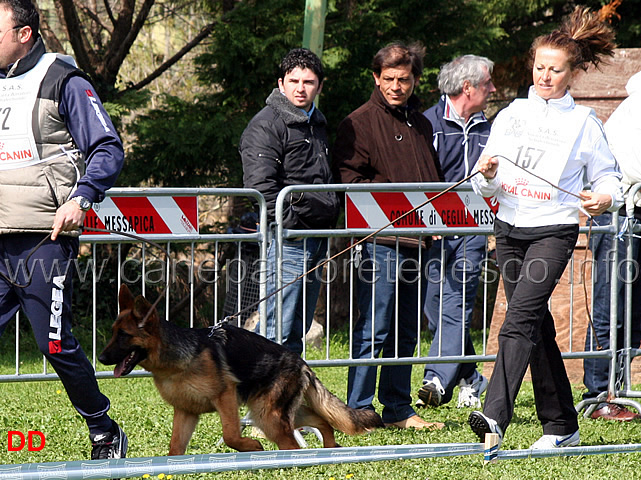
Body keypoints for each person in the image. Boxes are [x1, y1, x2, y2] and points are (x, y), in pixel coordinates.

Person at [467, 7, 622, 449]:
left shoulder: (584, 124)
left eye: (555, 70)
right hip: (509, 226)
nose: (545, 77)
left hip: (553, 230)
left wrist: (605, 195)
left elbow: (607, 175)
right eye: (539, 68)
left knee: (518, 320)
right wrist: (489, 173)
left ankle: (494, 417)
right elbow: (484, 180)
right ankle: (561, 426)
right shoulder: (511, 113)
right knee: (536, 326)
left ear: (572, 74)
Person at [0, 0, 126, 460]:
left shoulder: (63, 80)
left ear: (24, 34)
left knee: (53, 342)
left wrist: (82, 197)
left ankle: (103, 428)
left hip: (43, 239)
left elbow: (108, 148)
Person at [333, 42, 444, 430]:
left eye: (405, 79)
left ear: (415, 80)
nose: (397, 86)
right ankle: (359, 409)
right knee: (373, 327)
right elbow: (348, 181)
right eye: (390, 78)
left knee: (406, 329)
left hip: (420, 242)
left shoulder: (421, 123)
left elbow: (434, 182)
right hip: (379, 242)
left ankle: (397, 408)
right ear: (376, 77)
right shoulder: (358, 122)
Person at [239, 48, 339, 354]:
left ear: (319, 86)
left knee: (297, 328)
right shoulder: (266, 124)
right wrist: (291, 223)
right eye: (293, 80)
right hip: (286, 240)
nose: (300, 88)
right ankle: (270, 401)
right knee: (277, 332)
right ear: (281, 83)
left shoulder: (316, 122)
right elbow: (260, 187)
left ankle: (288, 400)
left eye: (308, 82)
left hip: (316, 237)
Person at [417, 54, 495, 409]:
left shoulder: (492, 129)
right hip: (435, 229)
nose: (493, 88)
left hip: (473, 229)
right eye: (487, 83)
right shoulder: (427, 124)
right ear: (468, 88)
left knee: (457, 302)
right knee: (435, 305)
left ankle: (436, 378)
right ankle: (470, 376)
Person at [583, 70, 641, 421]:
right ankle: (599, 393)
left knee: (632, 313)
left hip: (632, 214)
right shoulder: (633, 112)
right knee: (610, 306)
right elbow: (631, 167)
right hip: (619, 217)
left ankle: (616, 388)